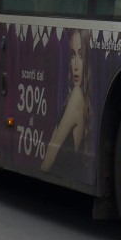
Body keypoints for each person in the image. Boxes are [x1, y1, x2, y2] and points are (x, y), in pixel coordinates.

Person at [42, 28, 92, 174]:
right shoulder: (79, 98)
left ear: (88, 60)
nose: (75, 65)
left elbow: (50, 154)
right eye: (72, 55)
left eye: (81, 56)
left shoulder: (77, 97)